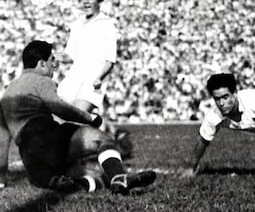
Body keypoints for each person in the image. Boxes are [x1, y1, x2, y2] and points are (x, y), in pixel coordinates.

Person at [0, 40, 155, 194]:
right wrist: (89, 118)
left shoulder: (7, 92)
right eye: (52, 60)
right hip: (48, 142)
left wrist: (1, 178)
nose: (55, 64)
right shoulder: (41, 81)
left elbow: (2, 139)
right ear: (41, 63)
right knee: (102, 139)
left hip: (31, 160)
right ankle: (119, 177)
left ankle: (70, 182)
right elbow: (60, 108)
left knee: (82, 176)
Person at [57, 0, 132, 157]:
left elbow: (110, 60)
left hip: (93, 80)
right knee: (58, 116)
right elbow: (70, 54)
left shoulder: (107, 24)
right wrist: (51, 55)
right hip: (73, 77)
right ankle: (109, 132)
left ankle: (68, 159)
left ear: (99, 1)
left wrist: (100, 78)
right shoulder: (77, 23)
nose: (86, 1)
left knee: (76, 117)